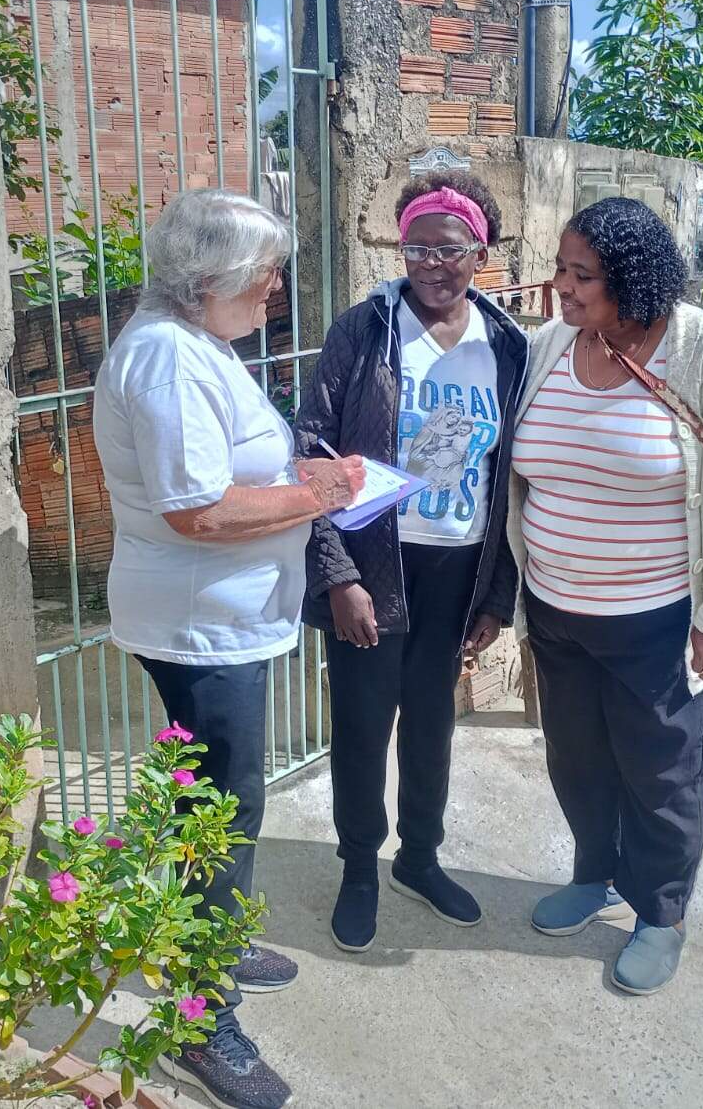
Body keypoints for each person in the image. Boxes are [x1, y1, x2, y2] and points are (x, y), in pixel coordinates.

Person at [93, 188, 365, 1109]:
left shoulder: (199, 346)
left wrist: (302, 480)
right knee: (222, 810)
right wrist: (320, 496)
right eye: (262, 275)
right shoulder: (167, 360)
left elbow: (232, 474)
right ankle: (201, 1027)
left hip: (223, 622)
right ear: (205, 281)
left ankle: (209, 946)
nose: (276, 288)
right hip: (200, 630)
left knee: (218, 805)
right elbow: (199, 508)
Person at [506, 196, 703, 995]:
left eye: (580, 273)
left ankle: (662, 915)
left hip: (660, 621)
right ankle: (593, 875)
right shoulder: (553, 345)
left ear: (631, 279)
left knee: (664, 775)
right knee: (579, 760)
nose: (561, 285)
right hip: (557, 612)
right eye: (560, 267)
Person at [296, 172, 530, 953]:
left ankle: (419, 859)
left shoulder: (505, 343)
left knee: (432, 724)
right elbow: (312, 453)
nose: (432, 263)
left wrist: (497, 594)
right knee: (363, 726)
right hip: (375, 563)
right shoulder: (364, 331)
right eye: (417, 247)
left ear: (480, 251)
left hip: (457, 571)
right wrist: (339, 575)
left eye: (450, 248)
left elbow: (511, 480)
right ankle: (360, 866)